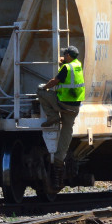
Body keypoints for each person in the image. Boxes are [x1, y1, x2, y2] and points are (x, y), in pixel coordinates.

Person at [37, 45, 84, 184]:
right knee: (67, 130)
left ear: (69, 55)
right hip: (75, 106)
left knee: (41, 92)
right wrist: (63, 60)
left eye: (65, 54)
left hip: (63, 103)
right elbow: (69, 67)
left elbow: (55, 81)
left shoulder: (66, 68)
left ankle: (52, 116)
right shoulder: (77, 65)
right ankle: (59, 158)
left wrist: (45, 87)